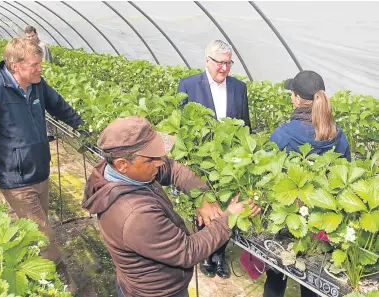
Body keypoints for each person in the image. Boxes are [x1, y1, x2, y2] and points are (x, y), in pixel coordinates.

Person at [82, 116, 261, 297]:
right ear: (122, 164)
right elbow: (188, 251)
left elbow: (172, 168)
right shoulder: (135, 216)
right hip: (158, 292)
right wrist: (228, 217)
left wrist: (202, 197)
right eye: (151, 159)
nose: (160, 162)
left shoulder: (119, 170)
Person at [0, 37, 84, 294]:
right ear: (15, 65)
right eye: (35, 64)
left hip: (40, 172)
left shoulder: (37, 86)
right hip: (16, 179)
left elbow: (59, 106)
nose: (40, 68)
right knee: (44, 235)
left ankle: (32, 269)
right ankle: (60, 281)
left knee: (38, 229)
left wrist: (81, 126)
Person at [266, 70, 351, 297]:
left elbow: (267, 172)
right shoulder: (338, 134)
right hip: (322, 222)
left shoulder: (283, 134)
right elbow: (346, 172)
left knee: (276, 275)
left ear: (295, 98)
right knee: (313, 279)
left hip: (288, 217)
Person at [177, 39, 252, 279]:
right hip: (201, 160)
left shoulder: (239, 88)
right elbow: (181, 126)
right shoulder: (189, 85)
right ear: (207, 61)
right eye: (220, 63)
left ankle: (219, 254)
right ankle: (204, 254)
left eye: (229, 63)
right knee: (204, 206)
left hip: (229, 162)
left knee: (226, 205)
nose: (225, 68)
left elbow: (245, 125)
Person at [25, 25, 56, 142]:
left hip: (43, 79)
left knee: (45, 104)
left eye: (32, 36)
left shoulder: (43, 47)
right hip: (33, 79)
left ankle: (49, 133)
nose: (30, 38)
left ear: (36, 34)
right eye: (28, 36)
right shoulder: (27, 47)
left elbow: (46, 66)